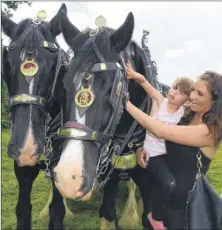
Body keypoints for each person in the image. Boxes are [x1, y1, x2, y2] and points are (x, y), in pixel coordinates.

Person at [126, 70, 222, 229]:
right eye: (192, 91)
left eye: (200, 93)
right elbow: (162, 140)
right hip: (158, 201)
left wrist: (126, 104)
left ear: (215, 101)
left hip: (182, 212)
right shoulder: (185, 117)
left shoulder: (210, 132)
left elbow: (161, 131)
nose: (192, 96)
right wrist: (141, 148)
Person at [126, 61, 194, 229]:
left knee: (170, 186)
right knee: (168, 183)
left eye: (181, 92)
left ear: (186, 101)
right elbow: (145, 84)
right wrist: (134, 74)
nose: (175, 92)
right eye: (175, 87)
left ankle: (162, 213)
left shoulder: (182, 113)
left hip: (165, 156)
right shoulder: (160, 101)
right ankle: (155, 217)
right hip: (152, 155)